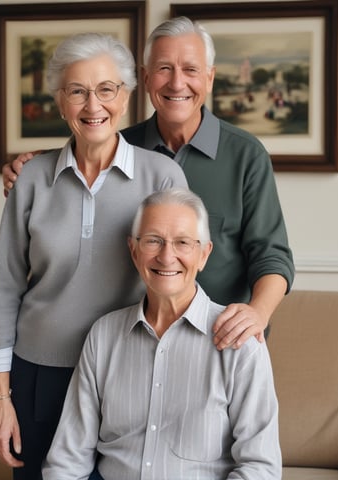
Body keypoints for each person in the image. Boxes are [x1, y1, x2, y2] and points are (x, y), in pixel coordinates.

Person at [2, 17, 295, 351]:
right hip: (133, 347)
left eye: (191, 69)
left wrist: (257, 313)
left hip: (221, 343)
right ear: (144, 78)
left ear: (210, 78)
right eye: (164, 69)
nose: (176, 83)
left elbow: (272, 256)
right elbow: (77, 159)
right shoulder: (120, 145)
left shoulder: (246, 154)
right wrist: (33, 163)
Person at [0, 32, 187, 480]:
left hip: (128, 372)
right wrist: (1, 399)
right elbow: (5, 286)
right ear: (60, 101)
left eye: (106, 90)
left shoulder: (163, 176)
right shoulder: (32, 177)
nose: (93, 106)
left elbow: (180, 277)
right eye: (77, 91)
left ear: (127, 97)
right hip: (38, 374)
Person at [43, 187, 281, 480]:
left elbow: (260, 468)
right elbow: (67, 461)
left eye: (183, 242)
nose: (167, 257)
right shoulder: (103, 336)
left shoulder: (240, 341)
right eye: (153, 241)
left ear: (204, 254)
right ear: (133, 250)